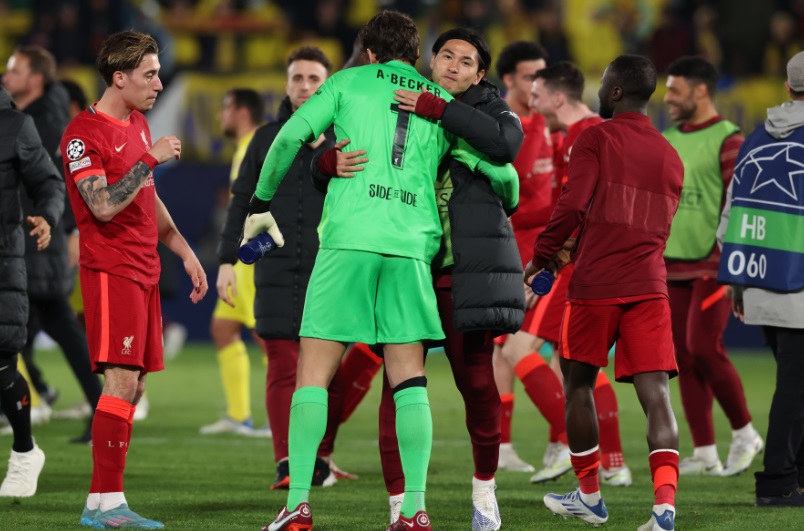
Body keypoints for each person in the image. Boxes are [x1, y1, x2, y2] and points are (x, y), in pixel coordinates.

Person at [244, 11, 518, 531]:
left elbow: (288, 138)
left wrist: (261, 201)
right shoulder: (441, 103)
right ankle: (414, 510)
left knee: (313, 374)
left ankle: (298, 504)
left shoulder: (346, 82)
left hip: (348, 241)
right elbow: (505, 175)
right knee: (409, 379)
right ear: (418, 55)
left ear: (369, 53)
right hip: (411, 249)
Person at [317, 27, 525, 530]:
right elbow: (335, 150)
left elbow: (508, 157)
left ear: (480, 74)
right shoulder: (390, 95)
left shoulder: (490, 109)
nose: (453, 65)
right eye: (446, 55)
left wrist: (442, 112)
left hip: (459, 271)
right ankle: (402, 504)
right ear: (430, 61)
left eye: (466, 61)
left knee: (476, 383)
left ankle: (484, 491)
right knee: (398, 385)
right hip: (406, 260)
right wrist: (325, 164)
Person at [528, 55, 683, 531]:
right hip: (649, 286)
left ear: (616, 92)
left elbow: (573, 204)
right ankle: (664, 508)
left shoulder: (596, 138)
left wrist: (542, 256)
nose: (598, 89)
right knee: (657, 395)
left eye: (604, 83)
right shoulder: (670, 154)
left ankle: (590, 496)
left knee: (577, 386)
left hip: (595, 284)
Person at [60, 30, 207, 529]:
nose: (159, 84)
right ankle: (109, 505)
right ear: (119, 78)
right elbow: (101, 206)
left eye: (158, 74)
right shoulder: (83, 134)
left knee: (135, 386)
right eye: (150, 74)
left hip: (145, 269)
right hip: (111, 270)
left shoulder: (139, 124)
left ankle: (101, 502)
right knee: (121, 381)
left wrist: (183, 250)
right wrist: (150, 158)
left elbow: (148, 197)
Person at [217, 46, 351, 490]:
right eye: (298, 78)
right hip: (274, 266)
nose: (305, 86)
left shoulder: (345, 138)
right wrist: (226, 261)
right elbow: (241, 201)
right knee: (280, 362)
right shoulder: (265, 139)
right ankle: (286, 462)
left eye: (314, 79)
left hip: (330, 266)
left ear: (328, 86)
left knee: (328, 371)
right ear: (287, 84)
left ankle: (319, 456)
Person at [527, 61, 632, 486]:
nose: (532, 105)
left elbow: (572, 207)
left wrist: (546, 256)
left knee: (518, 350)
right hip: (588, 259)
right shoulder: (591, 132)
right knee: (574, 363)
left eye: (536, 96)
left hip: (573, 262)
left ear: (557, 97)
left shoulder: (584, 135)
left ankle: (570, 446)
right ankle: (612, 461)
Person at [662, 55, 762, 477]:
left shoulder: (730, 140)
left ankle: (745, 432)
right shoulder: (667, 138)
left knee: (704, 347)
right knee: (683, 358)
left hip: (714, 264)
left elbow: (740, 207)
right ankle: (705, 452)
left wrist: (738, 268)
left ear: (701, 90)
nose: (667, 98)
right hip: (672, 263)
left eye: (675, 90)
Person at [3, 45, 104, 444]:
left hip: (37, 237)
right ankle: (88, 404)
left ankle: (40, 400)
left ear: (36, 78)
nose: (7, 77)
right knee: (45, 325)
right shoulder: (31, 116)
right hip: (31, 238)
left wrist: (68, 230)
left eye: (15, 71)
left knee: (27, 329)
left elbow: (55, 181)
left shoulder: (42, 122)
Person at [716, 50, 804, 507]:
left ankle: (796, 475)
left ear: (787, 87)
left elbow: (730, 216)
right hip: (799, 285)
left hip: (759, 279)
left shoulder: (754, 139)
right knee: (794, 387)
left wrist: (737, 282)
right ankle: (777, 482)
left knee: (795, 382)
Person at [489, 40, 556, 475]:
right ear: (509, 78)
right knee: (507, 348)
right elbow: (510, 194)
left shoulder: (547, 120)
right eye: (530, 76)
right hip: (515, 251)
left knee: (557, 347)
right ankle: (508, 445)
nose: (537, 85)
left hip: (545, 251)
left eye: (541, 76)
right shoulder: (503, 125)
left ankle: (558, 443)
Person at [0, 85, 64, 498]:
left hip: (2, 260)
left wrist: (47, 216)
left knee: (1, 365)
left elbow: (50, 183)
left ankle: (25, 452)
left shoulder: (16, 125)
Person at [204, 87, 268, 436]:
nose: (220, 116)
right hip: (241, 259)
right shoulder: (245, 148)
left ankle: (284, 420)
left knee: (267, 336)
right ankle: (239, 415)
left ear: (242, 112)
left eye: (225, 108)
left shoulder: (256, 147)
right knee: (223, 328)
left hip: (253, 257)